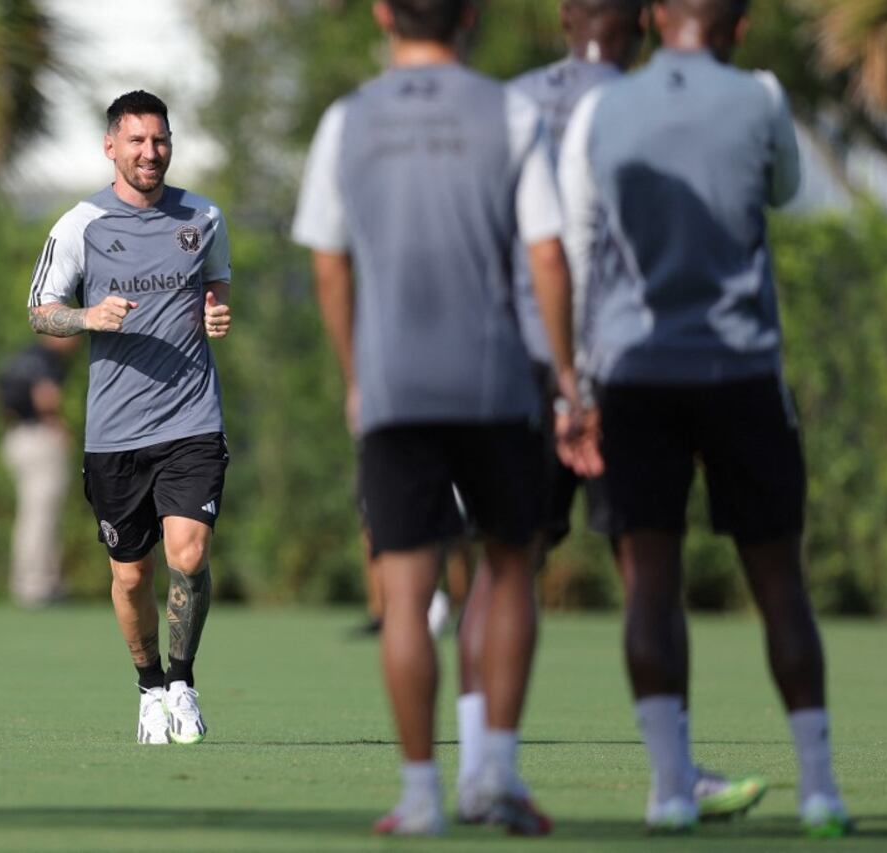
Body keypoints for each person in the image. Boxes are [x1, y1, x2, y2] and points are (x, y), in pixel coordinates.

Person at [458, 0, 768, 826]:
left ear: (563, 18)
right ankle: (672, 774)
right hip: (616, 363)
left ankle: (482, 769)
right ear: (640, 22)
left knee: (502, 562)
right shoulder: (637, 107)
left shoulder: (507, 100)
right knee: (646, 562)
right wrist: (579, 376)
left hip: (511, 361)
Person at [293, 0, 592, 835]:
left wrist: (358, 375)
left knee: (406, 592)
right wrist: (567, 375)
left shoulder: (345, 121)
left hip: (395, 393)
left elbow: (327, 263)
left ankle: (420, 792)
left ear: (385, 14)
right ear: (472, 16)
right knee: (507, 569)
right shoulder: (512, 110)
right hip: (496, 385)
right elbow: (545, 251)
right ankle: (494, 771)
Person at [560, 0, 851, 836]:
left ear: (653, 17)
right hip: (744, 373)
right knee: (780, 582)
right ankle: (823, 789)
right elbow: (785, 192)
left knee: (651, 584)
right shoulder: (762, 97)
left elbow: (578, 250)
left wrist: (573, 385)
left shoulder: (601, 109)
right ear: (741, 23)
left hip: (634, 375)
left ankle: (671, 790)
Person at [27, 90, 233, 746]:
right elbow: (40, 308)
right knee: (130, 575)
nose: (151, 152)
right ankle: (148, 687)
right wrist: (87, 317)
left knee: (190, 553)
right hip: (115, 435)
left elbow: (216, 283)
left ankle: (182, 680)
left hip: (192, 419)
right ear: (111, 146)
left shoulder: (203, 216)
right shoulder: (79, 224)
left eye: (161, 139)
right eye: (138, 140)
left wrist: (216, 311)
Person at [0, 335, 78, 607]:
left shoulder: (21, 354)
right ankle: (36, 586)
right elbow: (46, 396)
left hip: (16, 437)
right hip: (39, 439)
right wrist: (57, 425)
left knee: (31, 514)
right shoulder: (46, 359)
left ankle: (34, 582)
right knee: (41, 516)